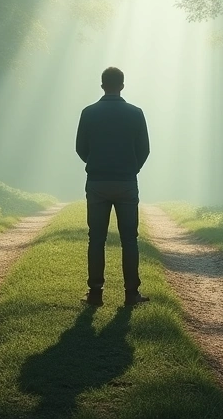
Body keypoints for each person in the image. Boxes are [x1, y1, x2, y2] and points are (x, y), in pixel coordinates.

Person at [75, 67, 151, 307]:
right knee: (130, 239)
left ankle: (95, 293)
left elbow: (80, 148)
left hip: (97, 182)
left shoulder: (88, 113)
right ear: (122, 85)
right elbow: (145, 149)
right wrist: (132, 168)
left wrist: (96, 164)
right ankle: (131, 294)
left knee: (96, 239)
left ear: (102, 85)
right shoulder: (136, 113)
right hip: (127, 182)